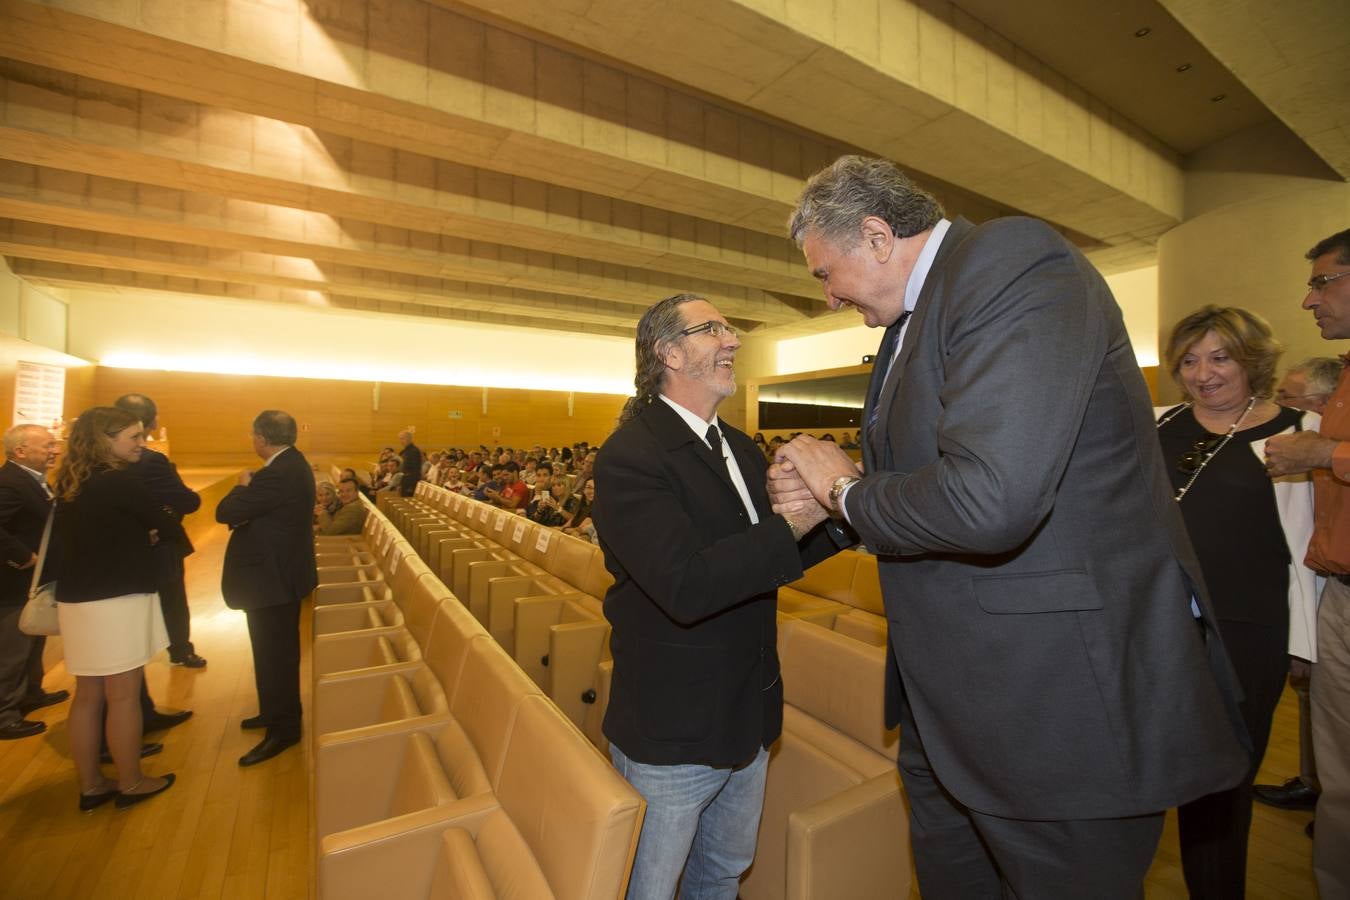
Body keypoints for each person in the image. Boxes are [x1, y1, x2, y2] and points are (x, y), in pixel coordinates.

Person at [769, 155, 1249, 899]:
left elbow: (991, 497)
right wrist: (831, 504)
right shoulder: (910, 322)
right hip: (955, 704)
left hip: (1050, 707)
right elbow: (929, 475)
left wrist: (843, 489)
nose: (828, 297)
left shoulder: (1011, 262)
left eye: (825, 274)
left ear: (877, 237)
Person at [592, 293, 836, 899]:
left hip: (747, 717)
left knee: (721, 876)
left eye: (730, 329)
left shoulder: (740, 447)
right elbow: (687, 585)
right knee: (649, 889)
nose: (733, 340)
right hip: (674, 730)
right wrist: (792, 525)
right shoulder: (631, 456)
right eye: (712, 329)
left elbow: (766, 561)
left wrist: (840, 510)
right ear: (669, 353)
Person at [1156, 306, 1318, 897]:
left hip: (1248, 632)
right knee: (1152, 770)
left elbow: (1308, 549)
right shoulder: (1156, 423)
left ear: (1252, 360)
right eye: (1190, 361)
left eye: (1220, 357)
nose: (1203, 374)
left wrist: (1304, 643)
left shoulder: (1299, 433)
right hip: (1157, 629)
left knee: (1224, 781)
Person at [1264, 228, 1350, 897]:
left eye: (1323, 282)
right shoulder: (1345, 376)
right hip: (1340, 592)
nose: (1309, 300)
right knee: (1340, 777)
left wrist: (1325, 454)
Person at [52, 407, 183, 810]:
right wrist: (150, 531)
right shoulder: (120, 481)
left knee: (88, 695)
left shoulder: (71, 481)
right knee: (124, 696)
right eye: (134, 437)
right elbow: (167, 524)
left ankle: (91, 785)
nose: (143, 444)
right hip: (116, 599)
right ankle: (131, 781)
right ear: (105, 440)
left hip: (76, 601)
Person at [1255, 355, 1344, 819]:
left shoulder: (1310, 441)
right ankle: (1317, 788)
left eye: (1288, 399)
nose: (1279, 407)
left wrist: (1324, 454)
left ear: (1321, 404)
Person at [216, 410, 317, 767]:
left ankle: (284, 728)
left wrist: (241, 486)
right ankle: (273, 711)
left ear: (261, 438)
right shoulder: (291, 465)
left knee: (276, 655)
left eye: (253, 435)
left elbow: (225, 512)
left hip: (273, 578)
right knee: (270, 652)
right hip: (277, 575)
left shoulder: (276, 474)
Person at [113, 393, 205, 669]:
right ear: (150, 422)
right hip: (159, 543)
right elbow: (187, 501)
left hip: (119, 546)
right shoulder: (151, 461)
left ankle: (130, 657)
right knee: (172, 598)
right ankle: (180, 650)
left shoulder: (97, 461)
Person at [0, 424, 67, 740]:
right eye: (48, 445)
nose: (56, 450)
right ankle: (5, 715)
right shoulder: (10, 482)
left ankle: (31, 694)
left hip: (34, 581)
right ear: (20, 451)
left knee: (33, 639)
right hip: (13, 582)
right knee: (13, 650)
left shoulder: (33, 479)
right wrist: (24, 557)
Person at [397, 429, 422, 497]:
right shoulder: (407, 450)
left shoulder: (414, 451)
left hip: (411, 482)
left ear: (409, 439)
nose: (401, 441)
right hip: (406, 479)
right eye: (400, 439)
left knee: (407, 499)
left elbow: (416, 469)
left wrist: (411, 485)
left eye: (402, 439)